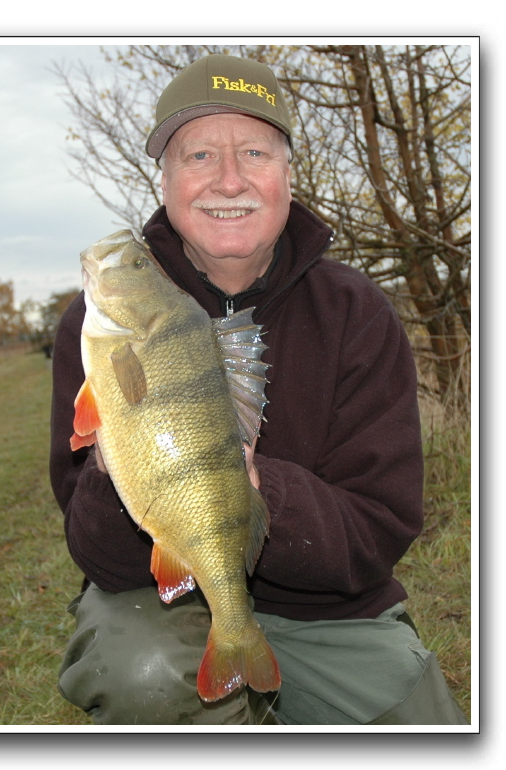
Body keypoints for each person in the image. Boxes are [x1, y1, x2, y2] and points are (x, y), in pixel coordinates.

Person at [50, 54, 468, 726]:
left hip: (328, 607)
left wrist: (256, 490)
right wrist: (117, 468)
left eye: (253, 151)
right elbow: (94, 552)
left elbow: (377, 533)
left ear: (287, 173)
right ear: (164, 178)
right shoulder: (95, 329)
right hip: (160, 607)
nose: (229, 179)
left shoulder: (355, 312)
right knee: (145, 675)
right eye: (198, 155)